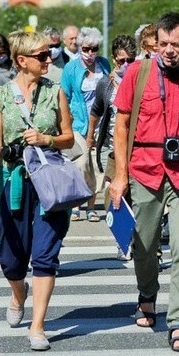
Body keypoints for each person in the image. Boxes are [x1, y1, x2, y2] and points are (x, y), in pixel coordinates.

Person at [108, 11, 179, 353]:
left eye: (175, 44)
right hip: (144, 168)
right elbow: (121, 125)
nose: (168, 50)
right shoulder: (137, 72)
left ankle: (178, 322)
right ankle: (147, 294)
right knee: (143, 245)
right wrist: (119, 175)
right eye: (162, 44)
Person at [0, 30, 75, 351]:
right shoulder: (2, 95)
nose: (49, 59)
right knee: (10, 259)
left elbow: (69, 137)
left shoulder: (55, 91)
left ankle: (38, 326)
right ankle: (17, 291)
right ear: (22, 60)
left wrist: (47, 139)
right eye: (42, 56)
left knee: (45, 255)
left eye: (49, 54)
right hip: (14, 180)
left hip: (50, 180)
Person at [87, 34, 138, 259]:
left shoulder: (139, 80)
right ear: (114, 59)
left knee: (134, 194)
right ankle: (122, 238)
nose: (125, 65)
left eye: (130, 60)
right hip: (111, 146)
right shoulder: (105, 84)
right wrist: (90, 136)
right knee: (113, 194)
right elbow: (96, 111)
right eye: (121, 61)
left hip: (136, 145)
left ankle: (136, 238)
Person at [60, 26, 111, 222]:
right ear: (80, 47)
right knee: (81, 163)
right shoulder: (71, 68)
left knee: (97, 167)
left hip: (101, 123)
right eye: (86, 49)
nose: (90, 53)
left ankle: (91, 207)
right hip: (79, 123)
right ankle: (76, 204)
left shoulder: (104, 65)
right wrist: (67, 119)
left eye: (94, 49)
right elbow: (64, 95)